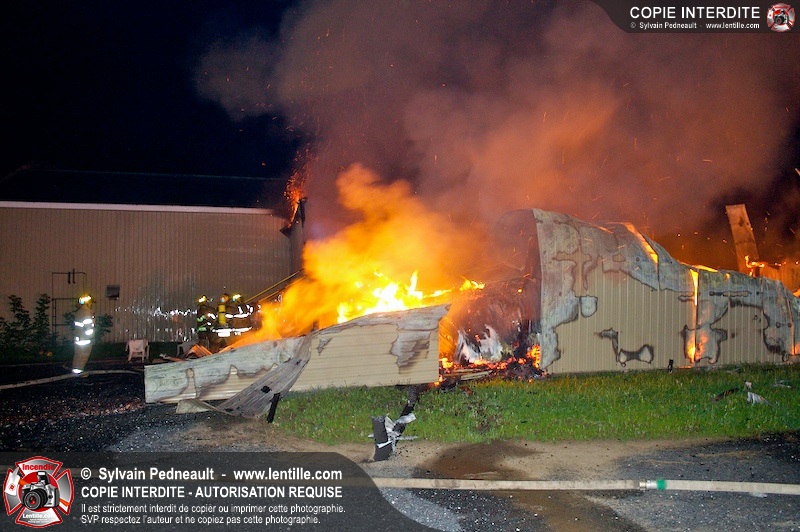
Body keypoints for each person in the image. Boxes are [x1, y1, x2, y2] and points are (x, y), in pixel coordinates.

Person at [71, 295, 95, 373]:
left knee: (78, 356)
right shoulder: (87, 313)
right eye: (91, 303)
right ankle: (79, 373)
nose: (91, 304)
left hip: (79, 338)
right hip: (85, 340)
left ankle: (76, 372)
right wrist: (91, 337)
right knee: (83, 356)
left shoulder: (80, 312)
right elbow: (88, 329)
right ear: (87, 303)